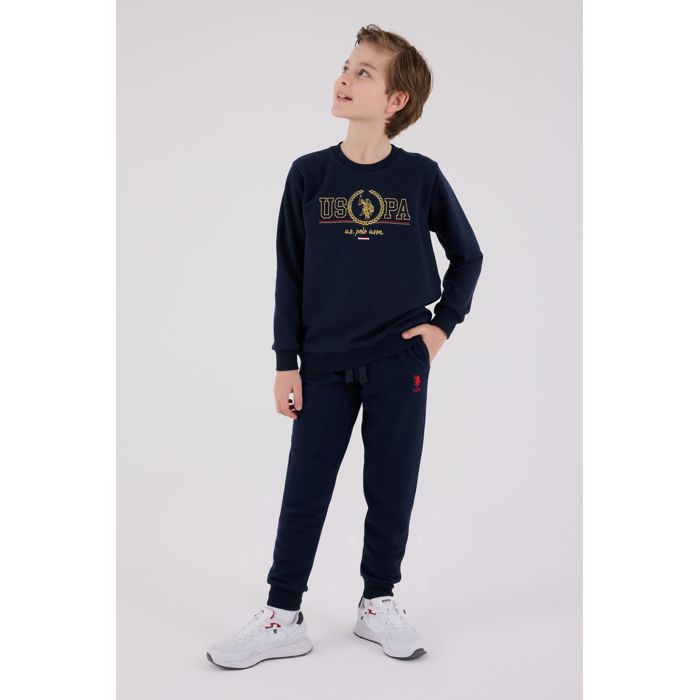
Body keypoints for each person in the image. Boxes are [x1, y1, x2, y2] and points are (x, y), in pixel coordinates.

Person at [207, 23, 484, 670]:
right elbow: (290, 272)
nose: (345, 78)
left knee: (391, 484)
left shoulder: (420, 177)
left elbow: (468, 256)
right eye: (346, 66)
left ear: (396, 100)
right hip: (324, 364)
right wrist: (286, 362)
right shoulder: (309, 174)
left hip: (399, 360)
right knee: (305, 488)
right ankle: (282, 615)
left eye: (364, 72)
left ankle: (377, 602)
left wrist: (441, 327)